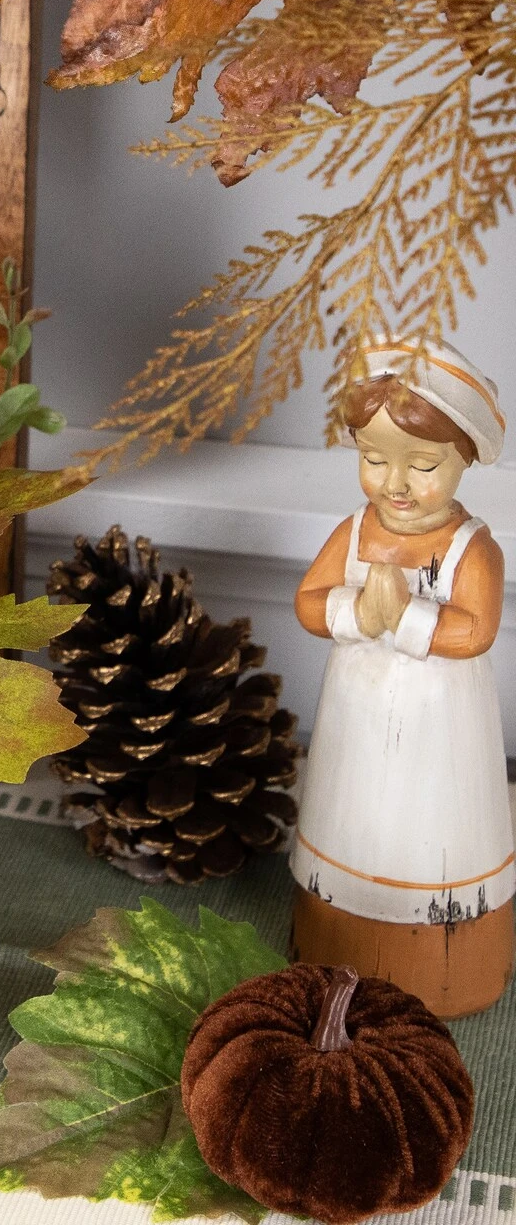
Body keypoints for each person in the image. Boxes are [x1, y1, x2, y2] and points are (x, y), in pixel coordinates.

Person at [291, 339, 512, 1017]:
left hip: (442, 729)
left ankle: (447, 971)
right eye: (373, 458)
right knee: (350, 812)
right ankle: (331, 945)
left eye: (422, 465)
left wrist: (404, 617)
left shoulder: (474, 549)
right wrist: (358, 613)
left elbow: (475, 631)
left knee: (435, 828)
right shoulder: (355, 531)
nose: (395, 482)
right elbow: (308, 603)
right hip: (356, 719)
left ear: (463, 459)